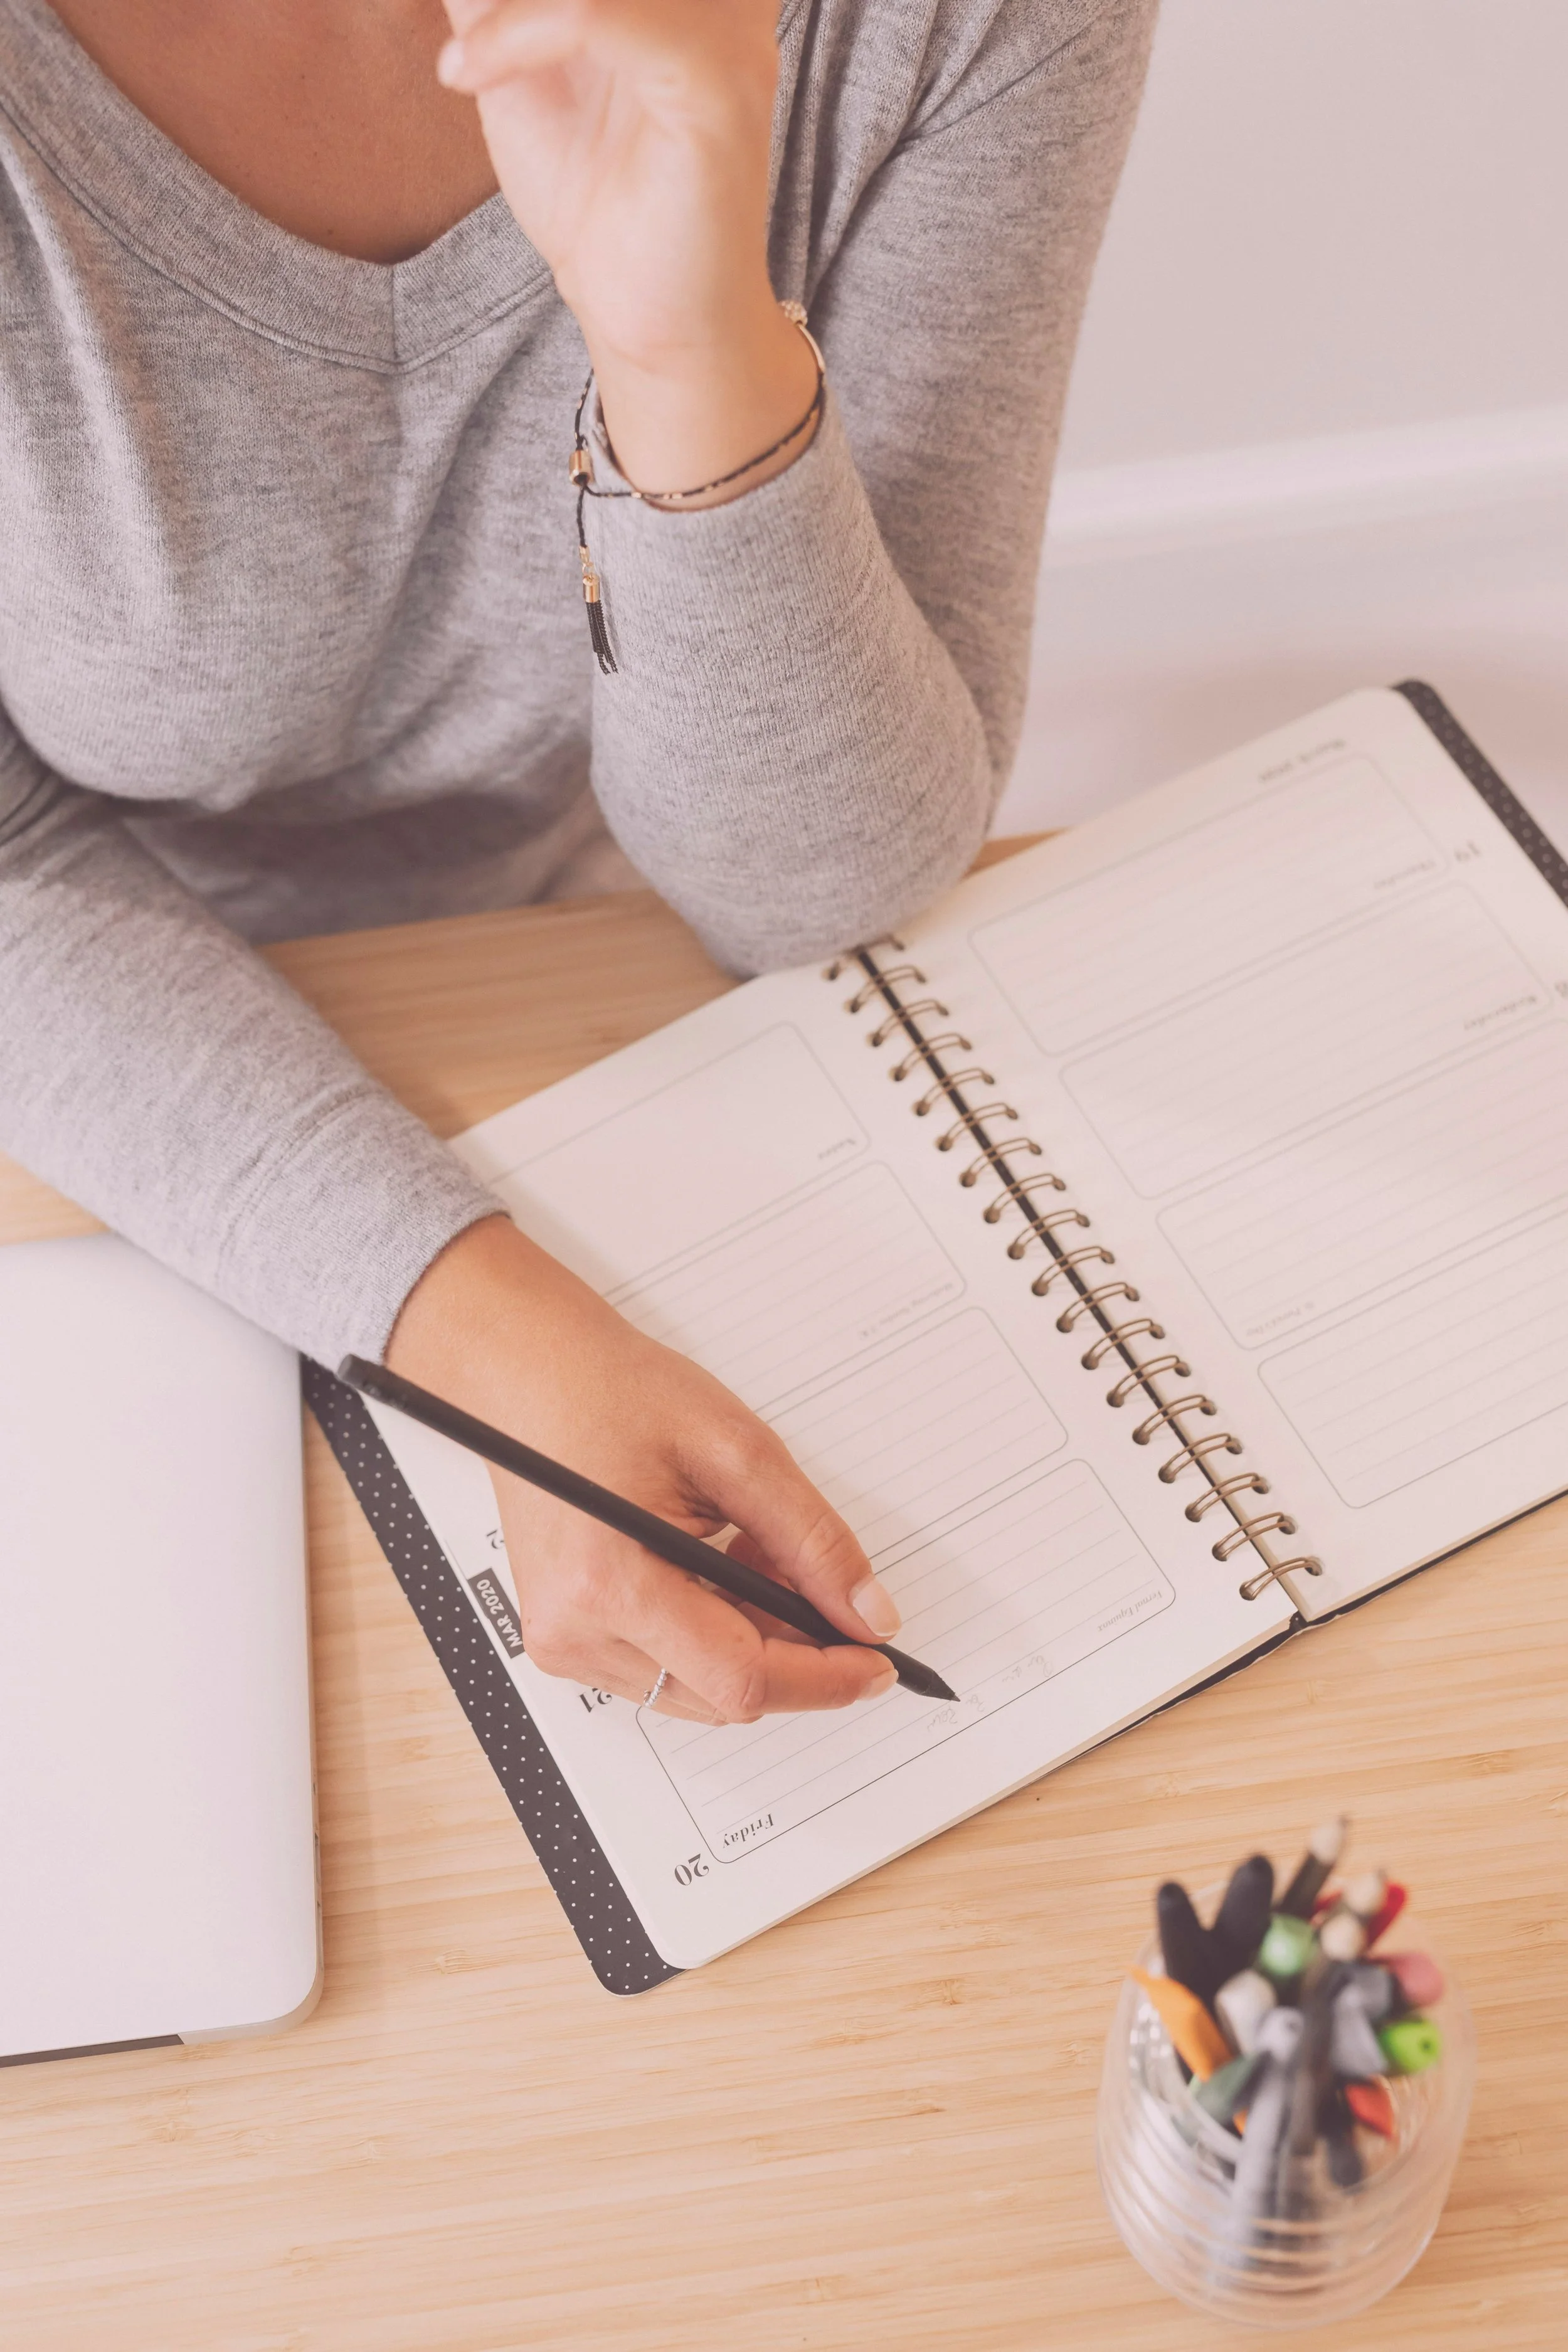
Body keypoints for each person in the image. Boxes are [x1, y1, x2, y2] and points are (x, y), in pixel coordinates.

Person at [0, 0, 1155, 1727]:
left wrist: (690, 349)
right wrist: (490, 1347)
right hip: (94, 1114)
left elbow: (815, 879)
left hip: (594, 981)